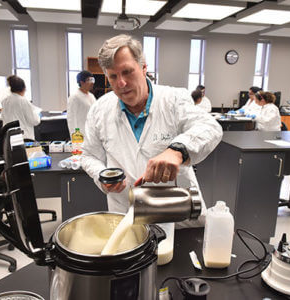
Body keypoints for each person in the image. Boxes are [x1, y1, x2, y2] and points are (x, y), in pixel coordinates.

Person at [81, 34, 222, 227]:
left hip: (176, 215)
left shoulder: (172, 99)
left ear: (144, 68)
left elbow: (210, 127)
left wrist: (177, 150)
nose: (121, 83)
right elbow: (88, 155)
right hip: (126, 214)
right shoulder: (100, 109)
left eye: (127, 72)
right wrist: (102, 174)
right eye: (113, 76)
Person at [1, 75, 42, 140]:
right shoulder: (23, 100)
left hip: (8, 138)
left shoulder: (5, 100)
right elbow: (35, 121)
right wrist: (38, 114)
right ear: (23, 88)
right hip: (23, 138)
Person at [67, 71, 96, 137]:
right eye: (89, 80)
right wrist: (74, 136)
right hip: (80, 134)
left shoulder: (91, 96)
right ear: (82, 82)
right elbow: (71, 118)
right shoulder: (74, 97)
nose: (92, 83)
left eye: (92, 80)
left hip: (92, 133)